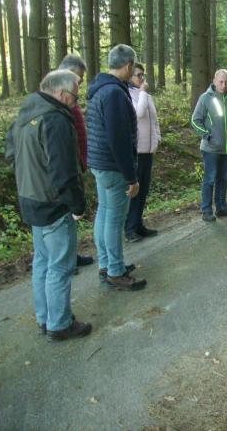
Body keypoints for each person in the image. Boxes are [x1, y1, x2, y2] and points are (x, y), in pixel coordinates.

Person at [4, 70, 92, 341]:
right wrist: (77, 206)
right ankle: (59, 324)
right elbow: (64, 171)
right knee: (60, 266)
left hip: (29, 201)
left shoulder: (25, 114)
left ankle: (45, 318)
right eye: (76, 97)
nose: (76, 103)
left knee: (42, 261)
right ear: (62, 94)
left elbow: (11, 157)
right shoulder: (55, 120)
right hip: (53, 204)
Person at [86, 44, 147, 291]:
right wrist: (131, 177)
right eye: (133, 66)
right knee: (114, 218)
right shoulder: (114, 93)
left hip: (100, 164)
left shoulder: (100, 89)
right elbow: (119, 138)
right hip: (112, 166)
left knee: (104, 213)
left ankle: (106, 263)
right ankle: (115, 271)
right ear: (128, 65)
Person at [57, 54, 94, 269]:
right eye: (79, 79)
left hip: (77, 160)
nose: (80, 83)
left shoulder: (69, 97)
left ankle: (71, 253)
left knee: (70, 217)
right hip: (67, 164)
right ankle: (65, 260)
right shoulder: (60, 97)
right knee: (65, 213)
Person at [191, 69, 227, 222]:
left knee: (223, 178)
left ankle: (221, 207)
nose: (224, 85)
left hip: (226, 147)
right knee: (210, 179)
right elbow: (195, 120)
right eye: (221, 82)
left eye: (226, 82)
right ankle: (206, 210)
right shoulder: (205, 98)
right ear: (214, 81)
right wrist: (207, 135)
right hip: (210, 148)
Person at [124, 64, 161, 242]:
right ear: (130, 77)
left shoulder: (146, 95)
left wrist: (157, 138)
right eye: (139, 75)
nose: (142, 79)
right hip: (136, 150)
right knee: (135, 191)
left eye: (143, 75)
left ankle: (138, 224)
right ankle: (129, 228)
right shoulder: (128, 95)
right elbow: (138, 114)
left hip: (148, 150)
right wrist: (144, 93)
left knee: (144, 189)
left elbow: (154, 119)